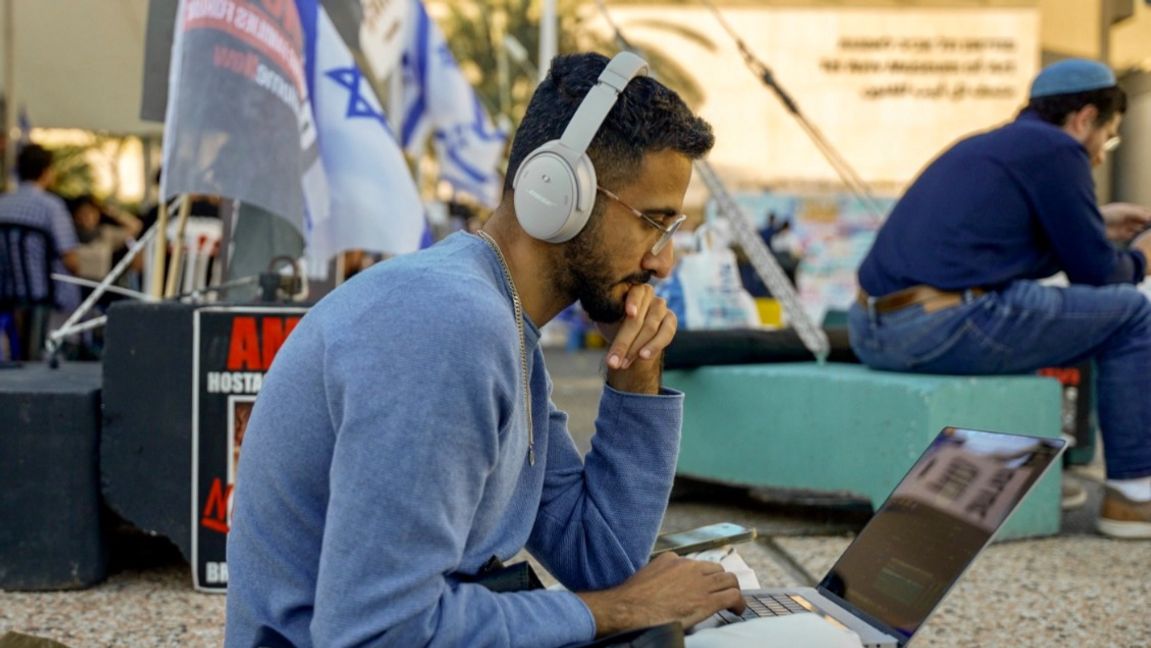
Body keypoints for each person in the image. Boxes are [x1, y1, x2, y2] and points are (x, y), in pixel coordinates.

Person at [225, 52, 744, 647]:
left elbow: (601, 557)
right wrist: (611, 611)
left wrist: (637, 381)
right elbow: (378, 631)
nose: (662, 260)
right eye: (652, 221)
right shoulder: (448, 326)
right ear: (557, 190)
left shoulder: (501, 323)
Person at [849, 58, 1151, 539]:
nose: (1099, 155)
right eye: (1108, 138)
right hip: (939, 328)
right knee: (1133, 313)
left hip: (871, 328)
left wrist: (1098, 224)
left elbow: (993, 257)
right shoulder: (1058, 148)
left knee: (1057, 309)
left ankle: (1043, 480)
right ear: (1085, 119)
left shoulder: (989, 144)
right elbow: (1099, 275)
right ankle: (1132, 495)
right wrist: (1140, 256)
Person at [0, 144, 80, 360]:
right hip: (47, 293)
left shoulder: (3, 204)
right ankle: (66, 350)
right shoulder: (51, 206)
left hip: (7, 291)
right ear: (47, 171)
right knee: (79, 289)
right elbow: (71, 260)